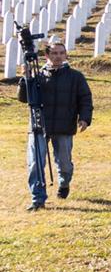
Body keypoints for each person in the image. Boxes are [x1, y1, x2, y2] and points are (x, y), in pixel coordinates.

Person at [18, 39, 92, 211]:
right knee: (35, 162)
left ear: (66, 55)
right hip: (38, 125)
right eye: (54, 53)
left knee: (64, 163)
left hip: (64, 126)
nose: (58, 57)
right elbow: (24, 98)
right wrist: (26, 79)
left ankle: (64, 182)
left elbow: (85, 99)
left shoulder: (76, 77)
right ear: (47, 56)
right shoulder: (38, 75)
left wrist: (85, 118)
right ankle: (38, 198)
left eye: (61, 53)